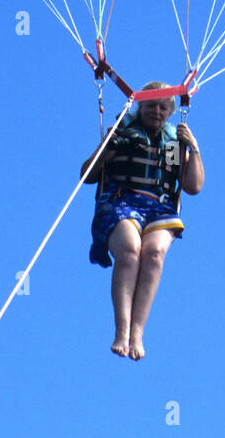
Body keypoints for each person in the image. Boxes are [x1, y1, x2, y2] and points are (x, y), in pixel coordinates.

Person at [82, 81, 204, 359]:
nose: (157, 112)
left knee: (155, 254)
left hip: (158, 208)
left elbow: (192, 187)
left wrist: (193, 149)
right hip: (120, 201)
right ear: (141, 107)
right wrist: (109, 146)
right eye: (151, 105)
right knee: (129, 252)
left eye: (163, 107)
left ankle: (137, 332)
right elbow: (87, 176)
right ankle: (121, 332)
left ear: (170, 112)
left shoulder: (173, 144)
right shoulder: (124, 134)